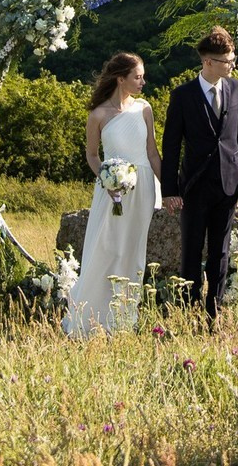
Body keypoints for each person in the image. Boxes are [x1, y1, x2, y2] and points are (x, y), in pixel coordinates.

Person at [161, 26, 238, 319]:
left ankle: (213, 311)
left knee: (221, 251)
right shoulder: (182, 96)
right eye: (228, 60)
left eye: (233, 58)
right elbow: (171, 145)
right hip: (193, 185)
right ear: (208, 62)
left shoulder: (237, 88)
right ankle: (188, 310)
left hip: (229, 183)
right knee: (191, 251)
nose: (233, 64)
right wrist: (170, 190)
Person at [63, 52, 162, 336]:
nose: (143, 81)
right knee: (106, 248)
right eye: (138, 77)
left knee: (133, 250)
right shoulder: (98, 115)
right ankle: (90, 317)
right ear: (121, 79)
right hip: (112, 191)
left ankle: (123, 319)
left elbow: (153, 153)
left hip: (142, 187)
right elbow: (92, 155)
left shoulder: (144, 109)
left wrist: (168, 188)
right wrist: (107, 177)